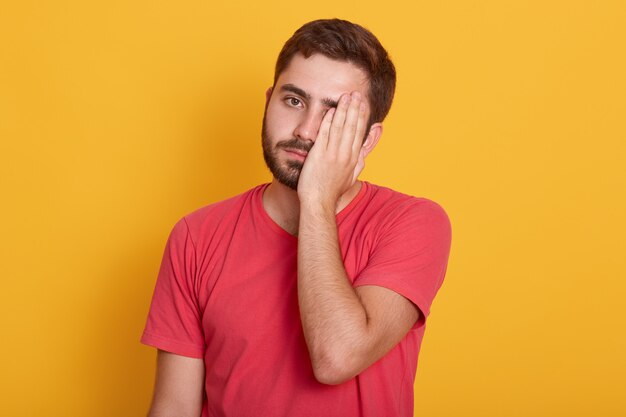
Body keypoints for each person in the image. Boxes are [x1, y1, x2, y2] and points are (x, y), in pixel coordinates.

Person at [141, 18, 451, 417]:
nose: (305, 130)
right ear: (268, 100)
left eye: (333, 113)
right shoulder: (196, 236)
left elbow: (337, 357)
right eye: (293, 101)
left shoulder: (413, 223)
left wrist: (317, 198)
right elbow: (174, 408)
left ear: (368, 140)